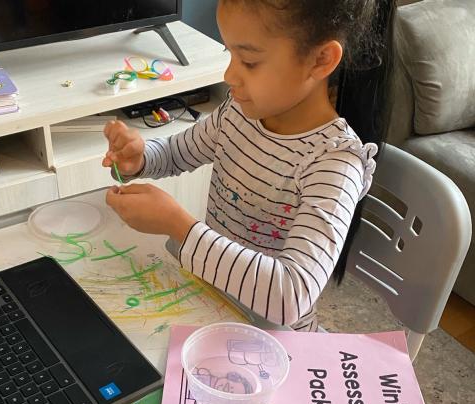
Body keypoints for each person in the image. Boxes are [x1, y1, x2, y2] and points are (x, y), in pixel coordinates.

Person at [103, 0, 395, 331]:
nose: (230, 75)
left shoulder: (334, 163)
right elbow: (175, 154)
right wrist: (139, 158)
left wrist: (180, 227)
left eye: (250, 61)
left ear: (321, 60)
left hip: (274, 338)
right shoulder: (238, 114)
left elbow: (291, 295)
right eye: (230, 54)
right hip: (212, 302)